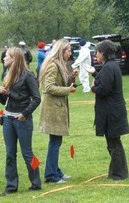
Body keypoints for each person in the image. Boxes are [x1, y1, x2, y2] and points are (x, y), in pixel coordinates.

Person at [0, 47, 41, 196]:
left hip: (22, 120)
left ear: (14, 59)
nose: (3, 58)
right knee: (10, 154)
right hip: (8, 118)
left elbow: (37, 98)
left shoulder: (28, 75)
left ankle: (36, 182)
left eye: (6, 56)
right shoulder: (7, 74)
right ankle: (11, 186)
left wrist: (24, 114)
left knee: (27, 153)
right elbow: (5, 101)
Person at [85, 39, 129, 180]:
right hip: (113, 110)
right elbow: (105, 80)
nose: (96, 55)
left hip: (112, 112)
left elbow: (104, 89)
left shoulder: (109, 67)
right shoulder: (110, 66)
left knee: (113, 144)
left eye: (97, 52)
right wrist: (95, 73)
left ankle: (118, 174)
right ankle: (118, 172)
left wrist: (93, 88)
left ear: (103, 53)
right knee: (114, 143)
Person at [38, 38, 78, 184]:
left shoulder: (60, 65)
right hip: (52, 108)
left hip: (57, 107)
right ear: (61, 51)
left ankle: (55, 171)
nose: (70, 53)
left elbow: (59, 83)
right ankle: (51, 175)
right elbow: (48, 87)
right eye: (68, 50)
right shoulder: (53, 65)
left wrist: (71, 78)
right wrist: (68, 89)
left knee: (56, 141)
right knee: (55, 142)